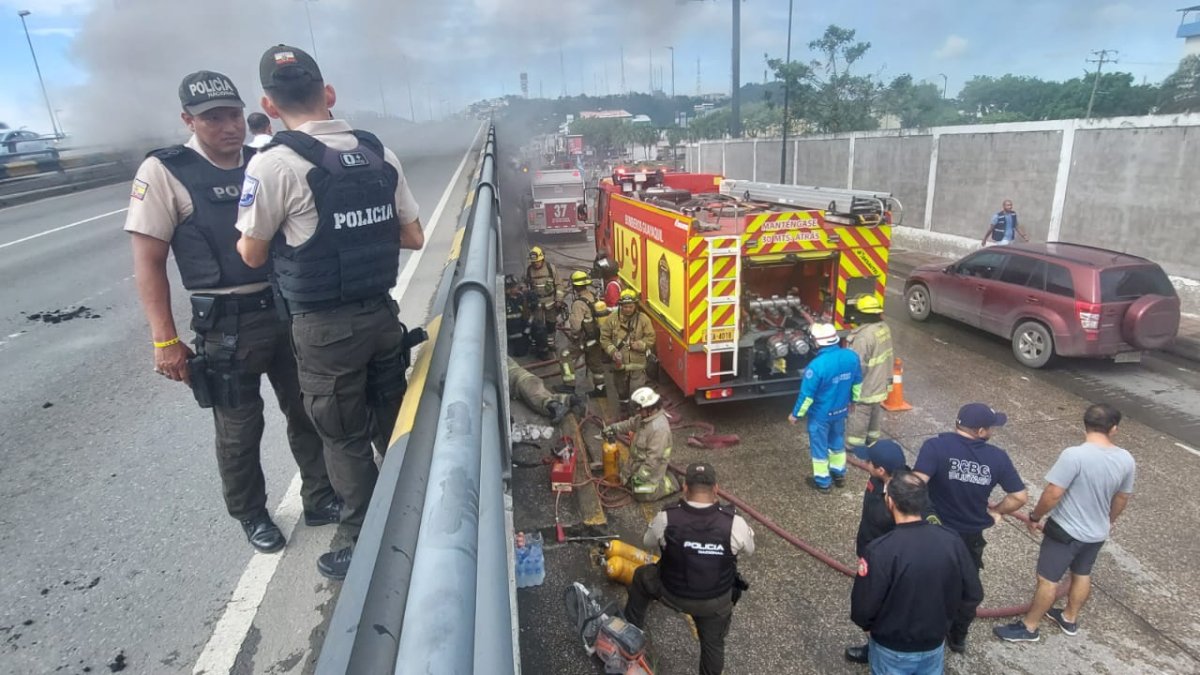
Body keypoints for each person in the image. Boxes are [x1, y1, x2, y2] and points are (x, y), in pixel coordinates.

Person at [124, 70, 338, 554]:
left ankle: (320, 495)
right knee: (239, 429)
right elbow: (148, 263)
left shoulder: (265, 160)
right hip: (225, 324)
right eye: (213, 118)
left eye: (234, 115)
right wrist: (164, 340)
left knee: (308, 410)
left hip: (284, 308)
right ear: (189, 121)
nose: (229, 127)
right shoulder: (165, 171)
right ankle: (252, 514)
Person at [234, 44, 425, 580]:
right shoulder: (379, 155)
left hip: (324, 330)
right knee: (392, 419)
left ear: (268, 105)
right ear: (329, 93)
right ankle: (417, 517)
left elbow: (251, 253)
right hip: (382, 318)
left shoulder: (273, 164)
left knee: (343, 436)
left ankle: (365, 544)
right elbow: (414, 235)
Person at [994, 403, 1135, 643]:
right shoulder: (1126, 459)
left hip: (1066, 531)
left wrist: (1035, 516)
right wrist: (1108, 521)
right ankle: (1069, 618)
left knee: (1047, 580)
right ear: (1114, 429)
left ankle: (1029, 627)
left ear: (1085, 425)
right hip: (1097, 532)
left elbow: (1053, 493)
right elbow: (1122, 497)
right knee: (1082, 573)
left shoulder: (1074, 455)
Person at [912, 402, 1028, 653]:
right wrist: (996, 512)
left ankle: (925, 628)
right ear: (981, 431)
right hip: (969, 536)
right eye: (992, 427)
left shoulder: (935, 447)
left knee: (927, 581)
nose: (993, 432)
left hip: (935, 532)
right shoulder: (997, 457)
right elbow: (1019, 497)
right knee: (967, 589)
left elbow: (916, 484)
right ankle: (957, 636)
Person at [624, 462, 755, 675]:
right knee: (713, 644)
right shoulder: (734, 523)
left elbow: (647, 541)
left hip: (672, 593)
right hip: (714, 603)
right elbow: (750, 549)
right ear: (716, 489)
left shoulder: (667, 517)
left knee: (641, 576)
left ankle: (629, 639)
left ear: (685, 488)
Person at [851, 471, 984, 675]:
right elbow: (973, 593)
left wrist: (869, 628)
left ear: (890, 502)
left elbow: (863, 606)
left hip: (891, 648)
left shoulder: (879, 550)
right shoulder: (952, 541)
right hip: (933, 644)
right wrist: (948, 624)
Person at [789, 323, 862, 493]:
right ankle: (838, 474)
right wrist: (853, 401)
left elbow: (807, 396)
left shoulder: (816, 366)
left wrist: (796, 415)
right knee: (837, 442)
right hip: (841, 411)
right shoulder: (851, 357)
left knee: (819, 447)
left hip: (820, 415)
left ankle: (823, 482)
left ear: (817, 342)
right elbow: (857, 382)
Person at [604, 386, 678, 501]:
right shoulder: (644, 418)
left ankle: (671, 482)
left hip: (653, 467)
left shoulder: (659, 429)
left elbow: (654, 459)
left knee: (641, 494)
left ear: (650, 408)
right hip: (637, 462)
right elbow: (630, 424)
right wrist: (613, 428)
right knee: (625, 480)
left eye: (639, 409)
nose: (638, 412)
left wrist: (641, 476)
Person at [845, 295, 893, 453]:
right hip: (881, 381)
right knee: (874, 410)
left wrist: (850, 386)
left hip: (867, 384)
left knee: (859, 413)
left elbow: (858, 366)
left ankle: (854, 445)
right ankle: (872, 440)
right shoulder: (883, 327)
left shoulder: (863, 337)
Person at [600, 289, 657, 407]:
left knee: (637, 392)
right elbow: (604, 338)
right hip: (619, 365)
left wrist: (642, 344)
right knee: (621, 391)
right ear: (621, 305)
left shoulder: (643, 319)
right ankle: (624, 407)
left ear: (635, 306)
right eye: (625, 307)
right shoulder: (612, 319)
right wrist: (613, 352)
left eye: (630, 307)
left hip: (638, 365)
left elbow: (651, 337)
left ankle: (636, 411)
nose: (628, 309)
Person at [557, 270, 608, 397]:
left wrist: (575, 337)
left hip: (584, 340)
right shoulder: (593, 296)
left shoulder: (578, 303)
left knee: (565, 355)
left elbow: (576, 326)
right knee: (595, 362)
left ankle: (569, 385)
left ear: (575, 287)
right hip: (596, 338)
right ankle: (600, 389)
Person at [507, 356, 581, 424]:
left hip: (522, 381)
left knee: (536, 399)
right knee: (543, 395)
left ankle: (556, 407)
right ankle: (570, 400)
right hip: (527, 379)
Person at [525, 246, 560, 359]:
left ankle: (550, 344)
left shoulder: (551, 269)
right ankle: (539, 344)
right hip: (537, 303)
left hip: (550, 301)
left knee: (551, 323)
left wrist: (558, 300)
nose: (536, 264)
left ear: (542, 259)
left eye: (538, 261)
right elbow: (528, 286)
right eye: (534, 262)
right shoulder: (529, 270)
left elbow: (559, 285)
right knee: (538, 325)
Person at [504, 274, 532, 357]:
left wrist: (527, 329)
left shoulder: (521, 298)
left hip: (521, 330)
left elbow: (527, 315)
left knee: (521, 353)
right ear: (509, 289)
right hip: (509, 332)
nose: (517, 288)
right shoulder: (504, 300)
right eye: (515, 286)